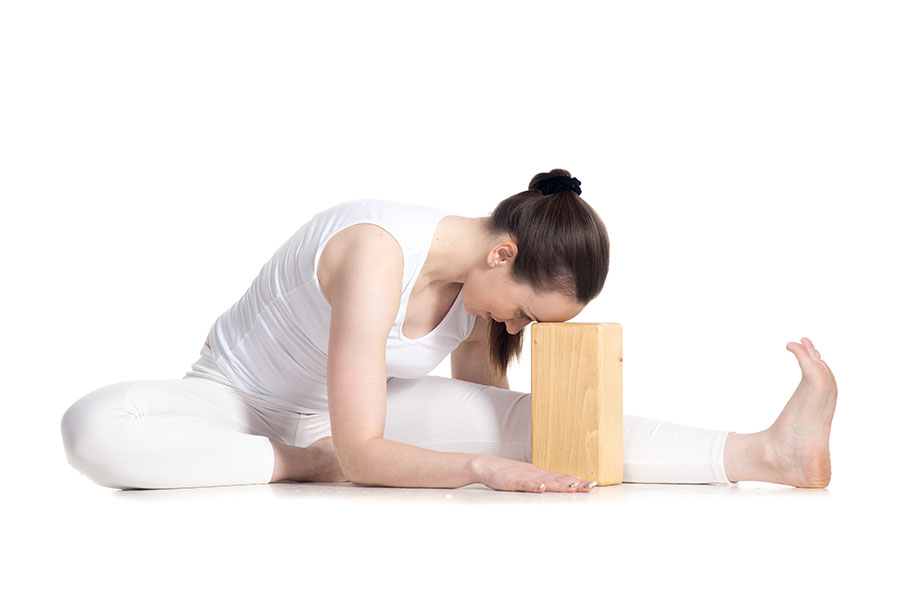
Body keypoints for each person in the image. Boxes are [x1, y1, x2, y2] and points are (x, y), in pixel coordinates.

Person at [60, 169, 838, 493]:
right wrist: (477, 469)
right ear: (504, 253)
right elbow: (363, 457)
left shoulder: (479, 286)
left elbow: (485, 410)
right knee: (93, 428)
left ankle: (763, 453)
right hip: (238, 406)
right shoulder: (376, 250)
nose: (515, 324)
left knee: (534, 422)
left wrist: (511, 439)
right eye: (526, 311)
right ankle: (294, 464)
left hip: (354, 412)